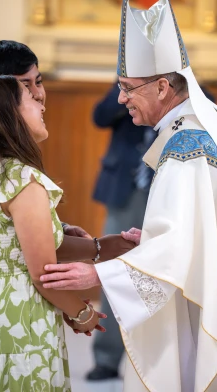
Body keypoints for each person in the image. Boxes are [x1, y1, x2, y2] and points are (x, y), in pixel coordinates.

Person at [39, 0, 217, 391]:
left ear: (163, 87)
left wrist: (98, 273)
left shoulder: (186, 150)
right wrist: (151, 244)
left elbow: (176, 252)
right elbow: (211, 229)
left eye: (128, 88)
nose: (121, 98)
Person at [0, 41, 135, 326]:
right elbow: (38, 268)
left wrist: (60, 231)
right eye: (25, 87)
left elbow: (12, 237)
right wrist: (81, 312)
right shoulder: (15, 175)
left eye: (39, 82)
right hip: (0, 301)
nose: (39, 96)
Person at [0, 75, 107, 391]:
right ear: (10, 116)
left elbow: (7, 245)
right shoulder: (23, 180)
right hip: (16, 313)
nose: (41, 102)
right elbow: (41, 274)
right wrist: (82, 313)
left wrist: (103, 247)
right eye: (31, 98)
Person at [87, 82, 155, 380]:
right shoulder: (124, 86)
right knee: (114, 268)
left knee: (159, 273)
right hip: (126, 190)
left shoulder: (184, 84)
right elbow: (100, 116)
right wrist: (132, 92)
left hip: (166, 189)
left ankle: (156, 359)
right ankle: (107, 357)